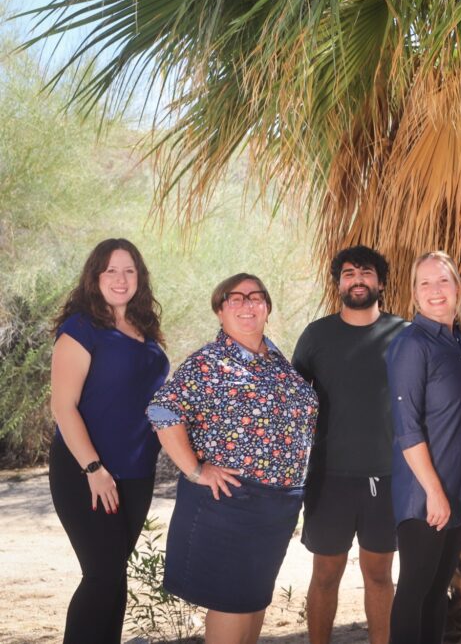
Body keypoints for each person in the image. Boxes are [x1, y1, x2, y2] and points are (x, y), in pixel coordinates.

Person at [147, 273, 318, 644]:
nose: (247, 304)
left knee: (253, 602)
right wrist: (195, 470)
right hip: (230, 503)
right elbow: (162, 412)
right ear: (220, 311)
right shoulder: (208, 363)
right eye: (235, 298)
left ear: (267, 309)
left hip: (276, 508)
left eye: (256, 297)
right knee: (231, 604)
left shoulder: (277, 363)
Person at [48, 238, 170, 644]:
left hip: (137, 472)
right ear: (95, 277)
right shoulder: (81, 329)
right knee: (101, 574)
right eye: (111, 271)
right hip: (86, 471)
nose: (121, 279)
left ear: (140, 277)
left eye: (129, 270)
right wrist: (94, 469)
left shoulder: (145, 329)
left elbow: (152, 403)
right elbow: (64, 407)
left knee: (115, 574)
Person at [293, 245, 408, 644]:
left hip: (388, 477)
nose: (357, 280)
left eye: (365, 272)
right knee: (325, 575)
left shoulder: (404, 334)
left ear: (381, 281)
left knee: (379, 576)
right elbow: (292, 402)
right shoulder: (317, 335)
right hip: (329, 477)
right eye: (348, 273)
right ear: (338, 284)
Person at [385, 251, 461, 644]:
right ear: (414, 294)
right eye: (426, 283)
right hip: (425, 494)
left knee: (437, 593)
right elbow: (407, 427)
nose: (435, 291)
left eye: (443, 281)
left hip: (457, 489)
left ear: (457, 288)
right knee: (414, 592)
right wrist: (433, 493)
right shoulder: (411, 344)